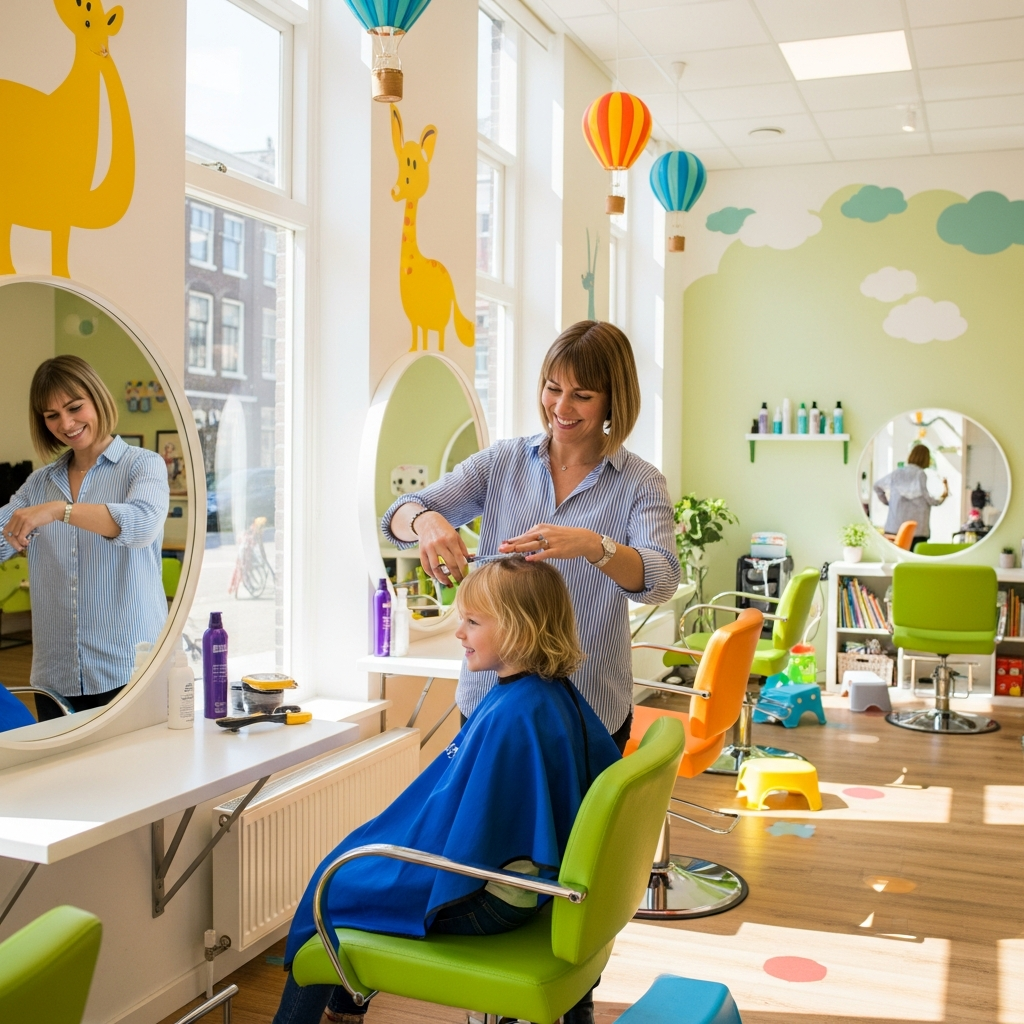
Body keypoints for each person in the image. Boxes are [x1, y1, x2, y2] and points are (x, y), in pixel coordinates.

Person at [272, 558, 620, 1024]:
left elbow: (474, 839)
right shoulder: (549, 695)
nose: (460, 632)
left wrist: (402, 851)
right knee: (365, 869)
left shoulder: (513, 716)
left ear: (520, 629)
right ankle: (344, 1009)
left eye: (473, 622)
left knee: (333, 891)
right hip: (530, 888)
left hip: (493, 902)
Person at [382, 321, 680, 750]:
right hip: (491, 702)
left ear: (614, 400)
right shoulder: (502, 463)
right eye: (553, 388)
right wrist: (426, 520)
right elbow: (396, 518)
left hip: (588, 707)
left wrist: (595, 547)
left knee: (574, 820)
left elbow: (662, 580)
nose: (561, 406)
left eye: (582, 395)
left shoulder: (640, 483)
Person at [0, 355, 170, 714]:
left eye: (75, 407)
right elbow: (3, 534)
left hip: (129, 670)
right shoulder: (38, 484)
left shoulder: (143, 465)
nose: (66, 423)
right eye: (52, 416)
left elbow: (140, 525)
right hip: (55, 679)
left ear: (97, 399)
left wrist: (57, 510)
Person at [874, 443, 948, 548]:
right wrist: (944, 495)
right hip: (918, 529)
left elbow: (877, 486)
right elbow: (930, 500)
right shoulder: (921, 474)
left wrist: (888, 502)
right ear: (926, 459)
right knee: (915, 561)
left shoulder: (897, 473)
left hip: (894, 527)